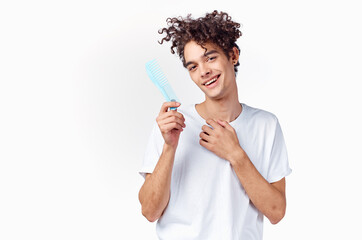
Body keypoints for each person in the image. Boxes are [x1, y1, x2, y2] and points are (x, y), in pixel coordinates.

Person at [138, 10, 292, 240]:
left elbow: (276, 212)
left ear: (233, 55)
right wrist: (169, 147)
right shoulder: (173, 125)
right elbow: (150, 211)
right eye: (193, 66)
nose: (204, 72)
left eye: (210, 58)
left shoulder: (266, 125)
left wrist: (235, 154)